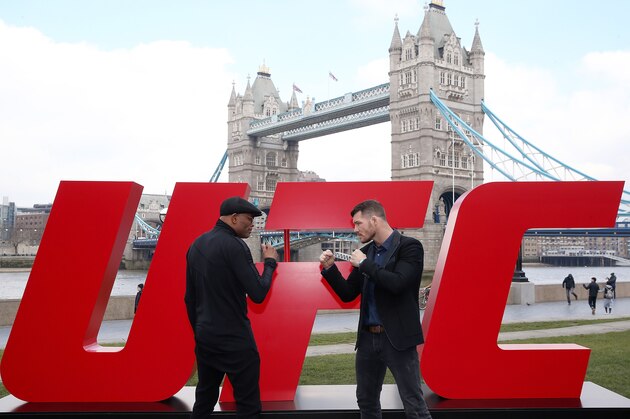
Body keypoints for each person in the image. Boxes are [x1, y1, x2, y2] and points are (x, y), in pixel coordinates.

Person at [319, 200, 432, 419]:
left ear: (374, 220)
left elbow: (398, 283)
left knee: (414, 405)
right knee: (367, 403)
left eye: (358, 223)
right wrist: (330, 269)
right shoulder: (366, 252)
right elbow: (347, 294)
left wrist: (364, 264)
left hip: (398, 339)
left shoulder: (409, 247)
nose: (355, 229)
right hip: (368, 341)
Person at [185, 196, 279, 419]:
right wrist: (270, 263)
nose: (253, 224)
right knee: (248, 406)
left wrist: (199, 330)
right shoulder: (236, 246)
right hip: (235, 339)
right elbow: (257, 293)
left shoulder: (196, 244)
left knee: (204, 401)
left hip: (206, 338)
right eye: (249, 219)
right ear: (234, 218)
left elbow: (190, 298)